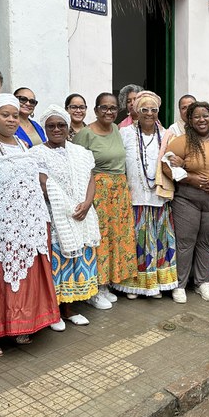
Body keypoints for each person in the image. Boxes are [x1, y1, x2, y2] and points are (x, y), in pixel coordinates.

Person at [0, 94, 60, 358]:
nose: (10, 120)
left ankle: (18, 325)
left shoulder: (21, 143)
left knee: (24, 278)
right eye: (4, 115)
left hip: (28, 224)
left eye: (14, 115)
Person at [31, 105, 102, 323]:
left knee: (76, 262)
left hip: (82, 214)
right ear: (44, 128)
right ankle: (54, 313)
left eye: (61, 125)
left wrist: (87, 203)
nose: (56, 129)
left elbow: (90, 178)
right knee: (57, 264)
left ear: (68, 126)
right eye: (51, 126)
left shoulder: (80, 152)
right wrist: (68, 206)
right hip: (55, 217)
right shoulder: (36, 154)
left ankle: (70, 309)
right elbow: (43, 183)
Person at [165, 101, 209, 302]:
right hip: (187, 199)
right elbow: (166, 168)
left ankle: (202, 282)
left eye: (205, 115)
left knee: (207, 240)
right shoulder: (181, 141)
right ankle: (179, 285)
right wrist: (191, 178)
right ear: (189, 120)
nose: (201, 120)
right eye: (196, 116)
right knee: (185, 241)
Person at [74, 92, 137, 306]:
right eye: (104, 107)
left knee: (116, 237)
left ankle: (106, 283)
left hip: (119, 190)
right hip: (97, 191)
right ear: (96, 110)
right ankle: (94, 289)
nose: (109, 112)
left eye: (112, 108)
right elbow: (78, 166)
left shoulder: (118, 130)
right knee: (99, 238)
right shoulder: (86, 133)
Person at [116, 91, 178, 298]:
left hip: (159, 197)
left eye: (153, 110)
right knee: (137, 242)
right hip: (134, 198)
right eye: (144, 110)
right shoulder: (124, 133)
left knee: (159, 241)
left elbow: (176, 161)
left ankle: (156, 284)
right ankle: (135, 285)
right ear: (136, 111)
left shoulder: (167, 135)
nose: (149, 114)